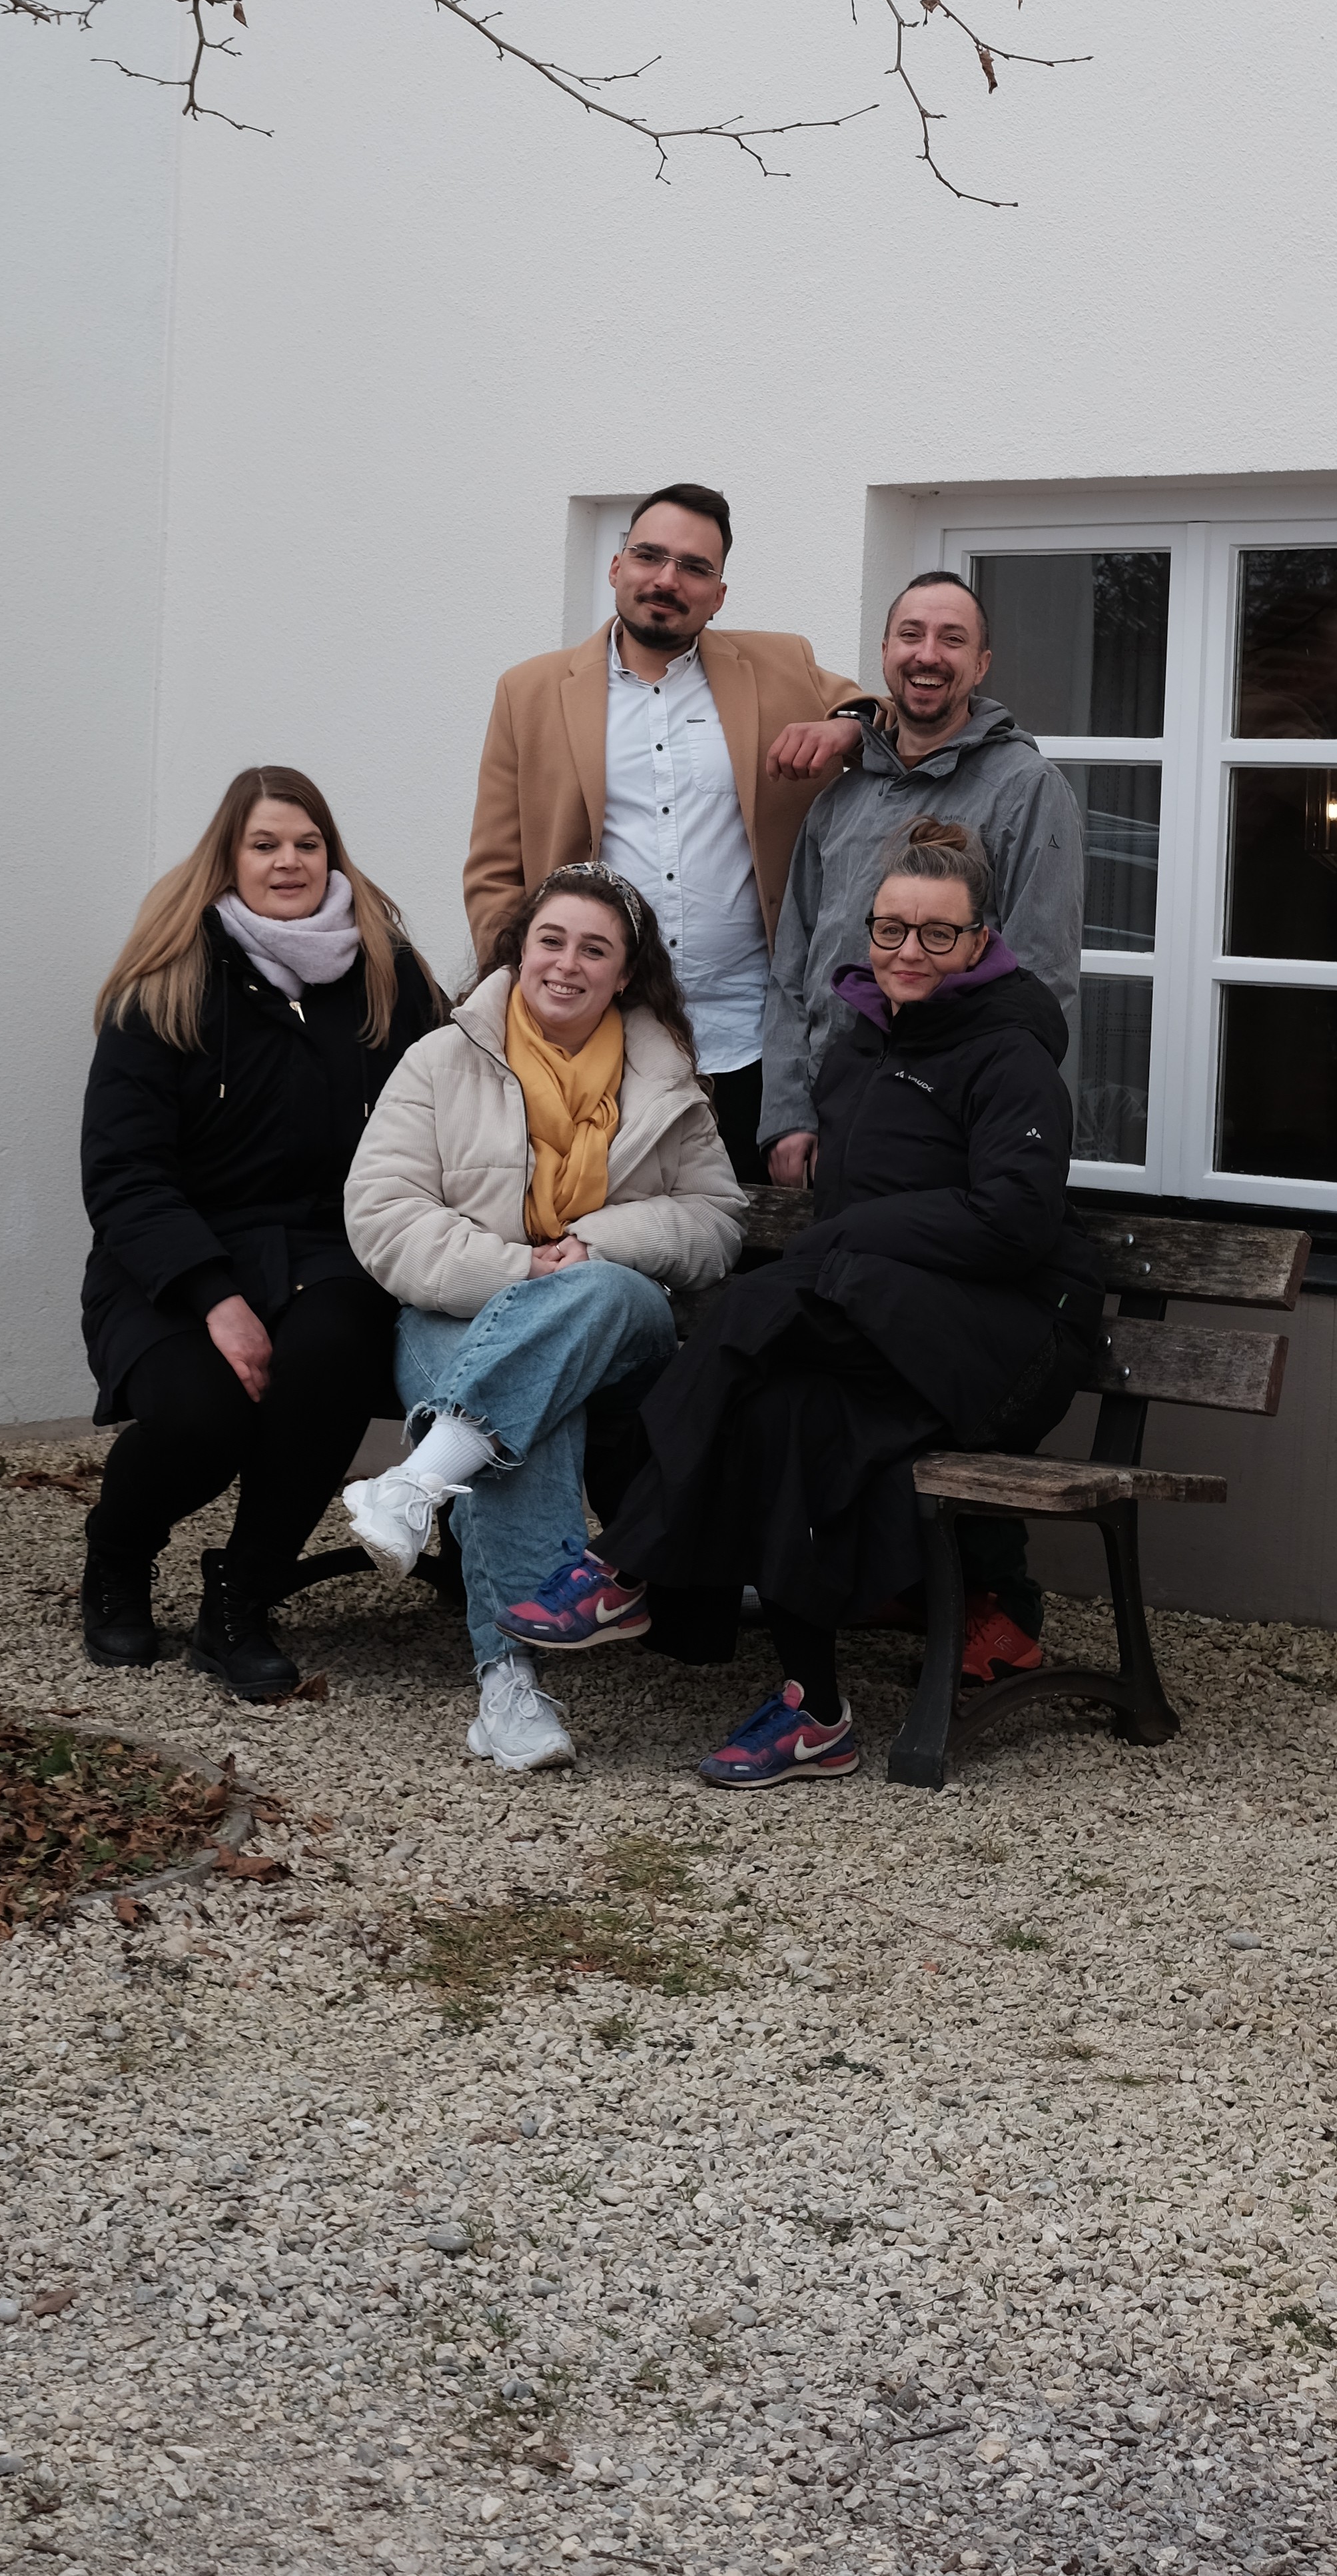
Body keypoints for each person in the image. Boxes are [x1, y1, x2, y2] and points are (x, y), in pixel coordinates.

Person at [498, 820, 1106, 1788]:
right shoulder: (861, 1045)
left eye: (938, 934)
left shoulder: (1009, 1053)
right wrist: (851, 1244)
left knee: (756, 1307)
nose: (910, 951)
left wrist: (852, 1240)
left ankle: (626, 1565)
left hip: (1006, 1341)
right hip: (886, 1324)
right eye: (892, 929)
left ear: (980, 942)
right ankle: (816, 1713)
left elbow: (1015, 1221)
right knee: (782, 1417)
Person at [342, 862, 745, 1772]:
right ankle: (509, 1686)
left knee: (602, 1292)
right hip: (457, 1313)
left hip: (622, 1333)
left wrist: (594, 1243)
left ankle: (420, 1482)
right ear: (518, 948)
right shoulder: (441, 1060)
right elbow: (384, 1214)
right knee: (527, 1410)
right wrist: (521, 1268)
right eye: (551, 940)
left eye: (594, 950)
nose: (567, 963)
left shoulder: (664, 1078)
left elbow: (717, 1221)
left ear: (625, 973)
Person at [79, 768, 444, 1700]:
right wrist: (213, 1296)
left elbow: (447, 1112)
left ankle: (241, 1597)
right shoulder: (164, 985)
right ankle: (118, 1551)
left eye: (307, 844)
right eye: (265, 845)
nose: (289, 862)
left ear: (332, 855)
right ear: (228, 859)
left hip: (330, 1251)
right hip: (173, 1260)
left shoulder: (389, 975)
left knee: (333, 1357)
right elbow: (124, 1175)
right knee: (206, 1418)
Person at [462, 484, 879, 1182]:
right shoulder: (529, 692)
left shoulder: (781, 666)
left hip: (753, 1040)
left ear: (719, 595)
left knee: (756, 1231)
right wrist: (531, 1009)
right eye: (649, 556)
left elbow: (894, 716)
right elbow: (494, 875)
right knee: (611, 1226)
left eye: (694, 568)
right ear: (616, 566)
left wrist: (849, 729)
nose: (667, 579)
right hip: (602, 1036)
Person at [760, 573, 1084, 1187]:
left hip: (945, 1131)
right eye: (911, 635)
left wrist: (998, 1131)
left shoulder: (1027, 789)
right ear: (885, 653)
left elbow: (1044, 981)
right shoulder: (839, 800)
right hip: (830, 1119)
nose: (928, 654)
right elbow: (791, 969)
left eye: (952, 639)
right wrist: (786, 1114)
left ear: (981, 664)